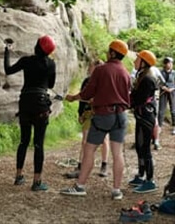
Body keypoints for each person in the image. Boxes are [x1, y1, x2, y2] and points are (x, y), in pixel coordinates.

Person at [60, 39, 131, 200]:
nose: (107, 53)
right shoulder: (126, 73)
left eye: (108, 50)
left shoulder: (101, 70)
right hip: (120, 115)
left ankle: (80, 186)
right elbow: (126, 97)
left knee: (89, 149)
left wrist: (73, 98)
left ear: (113, 53)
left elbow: (87, 93)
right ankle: (116, 190)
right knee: (117, 153)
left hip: (103, 115)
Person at [4, 35, 56, 191]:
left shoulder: (26, 61)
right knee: (38, 144)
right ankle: (37, 181)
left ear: (37, 47)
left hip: (25, 102)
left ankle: (19, 176)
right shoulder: (51, 64)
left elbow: (8, 70)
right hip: (41, 104)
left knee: (23, 141)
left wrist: (7, 51)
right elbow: (51, 84)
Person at [65, 59, 110, 179]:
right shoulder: (87, 80)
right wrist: (80, 113)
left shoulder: (105, 81)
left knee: (104, 139)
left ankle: (104, 165)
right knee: (85, 140)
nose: (89, 69)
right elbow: (82, 95)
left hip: (101, 113)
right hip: (88, 113)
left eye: (91, 67)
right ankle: (80, 166)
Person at [128, 50, 158, 193]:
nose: (134, 62)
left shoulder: (147, 79)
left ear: (143, 63)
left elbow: (139, 99)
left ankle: (150, 180)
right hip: (142, 116)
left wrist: (128, 101)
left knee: (145, 148)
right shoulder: (142, 77)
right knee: (140, 147)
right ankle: (141, 175)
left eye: (137, 60)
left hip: (146, 117)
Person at [158, 57, 175, 136]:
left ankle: (174, 126)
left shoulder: (174, 73)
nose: (171, 64)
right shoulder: (160, 72)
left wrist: (172, 88)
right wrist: (163, 87)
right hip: (163, 92)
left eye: (171, 63)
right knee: (161, 110)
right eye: (169, 63)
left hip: (172, 92)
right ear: (165, 64)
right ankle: (159, 127)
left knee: (173, 109)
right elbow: (158, 82)